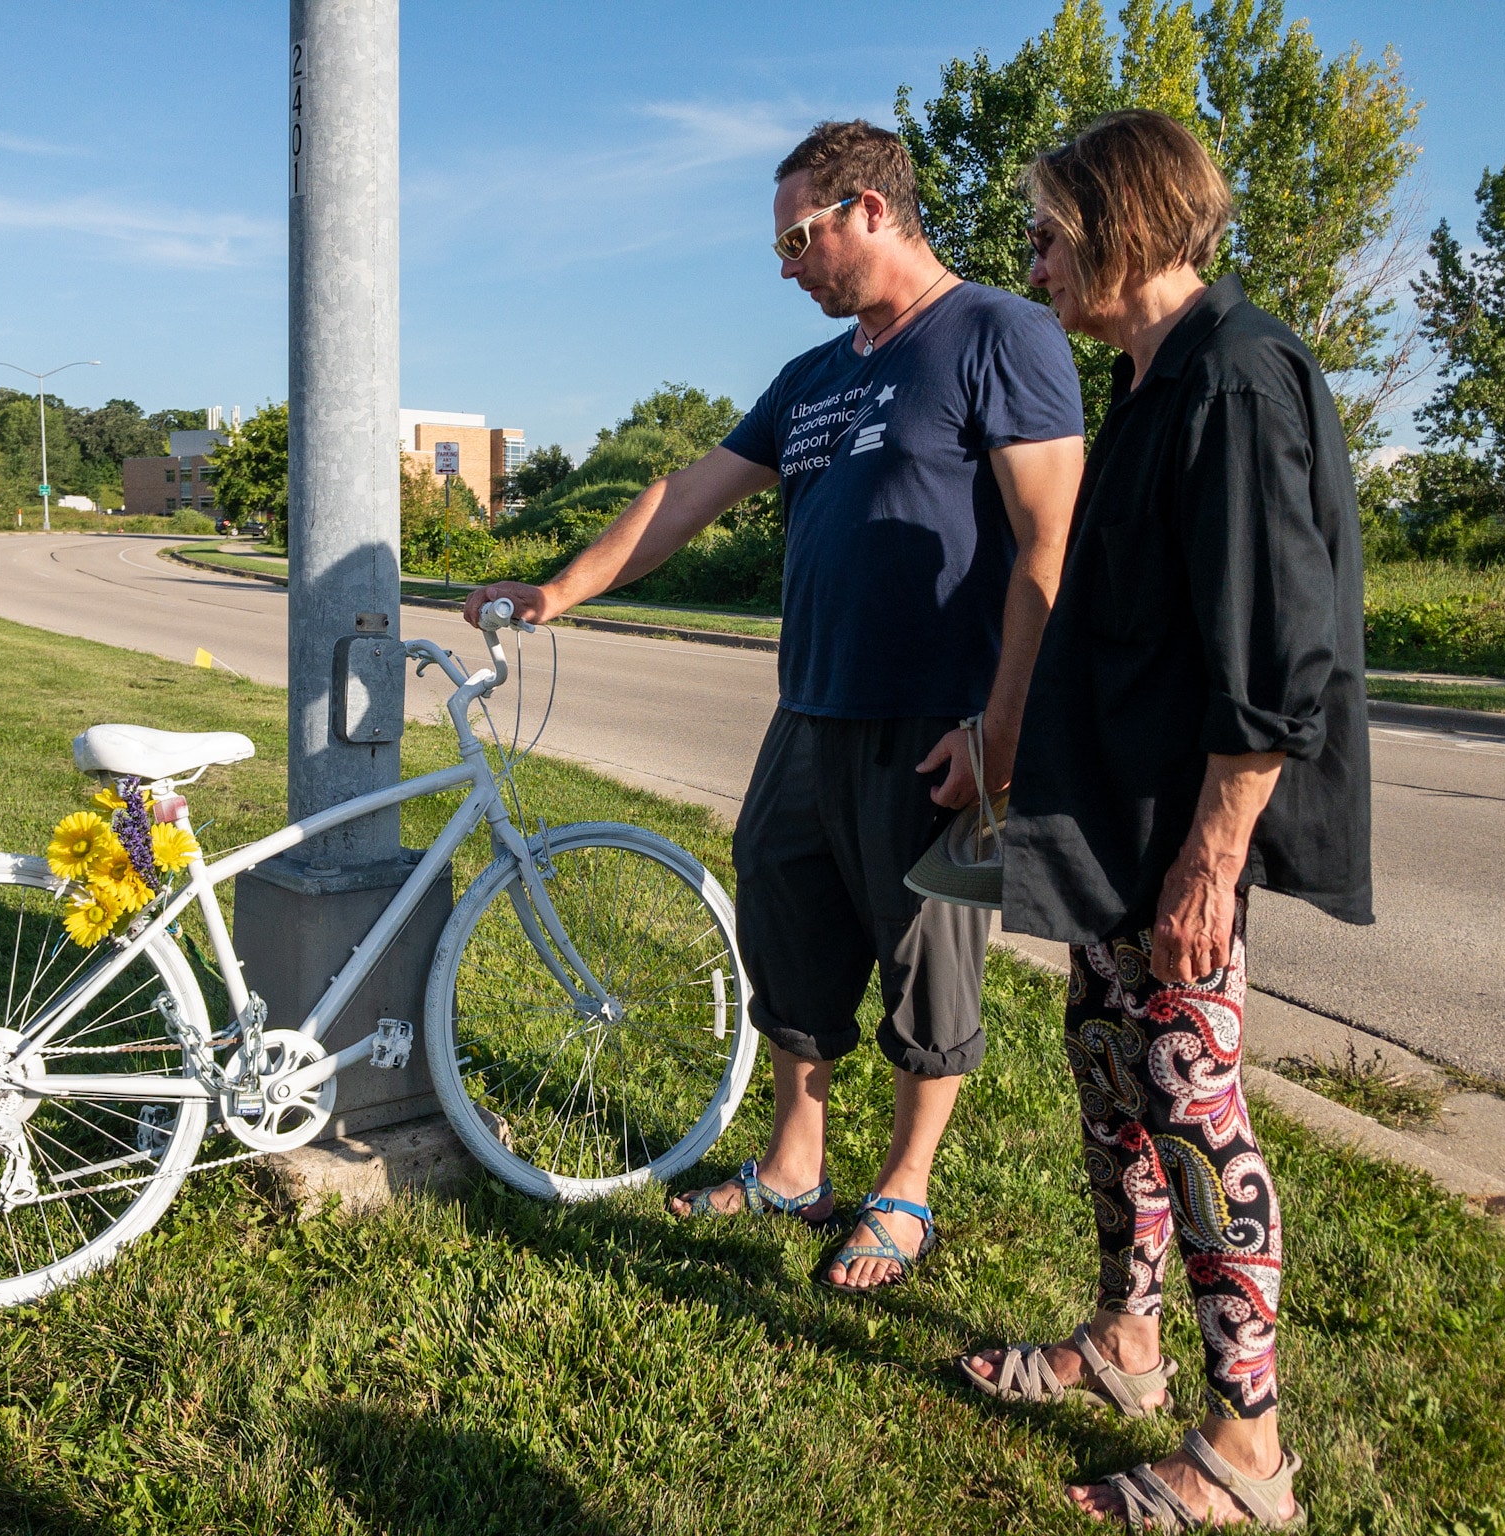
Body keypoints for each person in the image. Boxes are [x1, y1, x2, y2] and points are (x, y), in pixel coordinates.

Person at [464, 119, 1085, 1292]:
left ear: (868, 210)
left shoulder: (998, 333)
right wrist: (557, 587)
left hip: (935, 720)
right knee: (786, 919)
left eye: (796, 238)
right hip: (811, 712)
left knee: (924, 961)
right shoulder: (814, 376)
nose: (785, 263)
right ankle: (794, 1166)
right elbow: (686, 492)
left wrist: (999, 731)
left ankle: (902, 1191)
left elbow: (1050, 544)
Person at [960, 110, 1372, 1528]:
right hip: (1108, 841)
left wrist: (1211, 861)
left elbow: (1274, 658)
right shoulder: (1152, 383)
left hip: (1177, 848)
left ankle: (1247, 1457)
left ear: (1123, 217)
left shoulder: (1238, 381)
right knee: (1113, 1090)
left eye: (1050, 225)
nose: (1033, 254)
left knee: (1195, 1110)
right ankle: (1125, 1343)